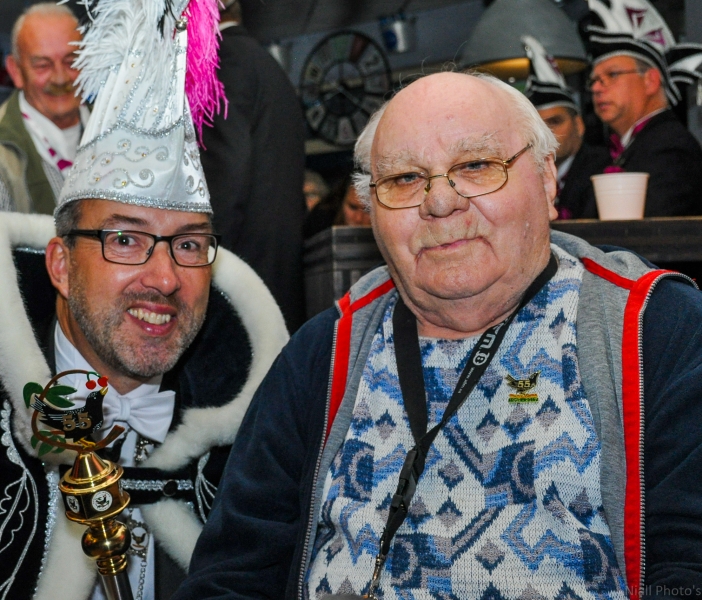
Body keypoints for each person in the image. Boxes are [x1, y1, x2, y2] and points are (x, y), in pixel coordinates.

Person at [174, 71, 702, 600]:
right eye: (405, 178)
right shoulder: (321, 354)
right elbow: (233, 575)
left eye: (476, 166)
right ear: (371, 212)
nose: (441, 201)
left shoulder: (655, 327)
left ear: (546, 180)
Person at [0, 1, 288, 599]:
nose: (164, 278)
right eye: (125, 240)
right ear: (60, 264)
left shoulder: (255, 450)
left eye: (189, 244)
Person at [201, 0, 307, 332]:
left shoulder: (225, 60)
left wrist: (198, 261)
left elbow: (225, 175)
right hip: (276, 274)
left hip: (242, 280)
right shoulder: (263, 63)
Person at [586, 0, 702, 217]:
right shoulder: (627, 148)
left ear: (650, 81)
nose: (596, 88)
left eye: (612, 74)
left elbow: (656, 232)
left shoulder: (671, 149)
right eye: (593, 80)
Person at [0, 3, 90, 215]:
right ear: (16, 71)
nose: (60, 78)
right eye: (43, 65)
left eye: (71, 61)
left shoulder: (116, 128)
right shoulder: (4, 154)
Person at [523, 35, 609, 219]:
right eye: (539, 126)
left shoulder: (602, 169)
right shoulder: (526, 175)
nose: (546, 133)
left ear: (579, 125)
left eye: (555, 122)